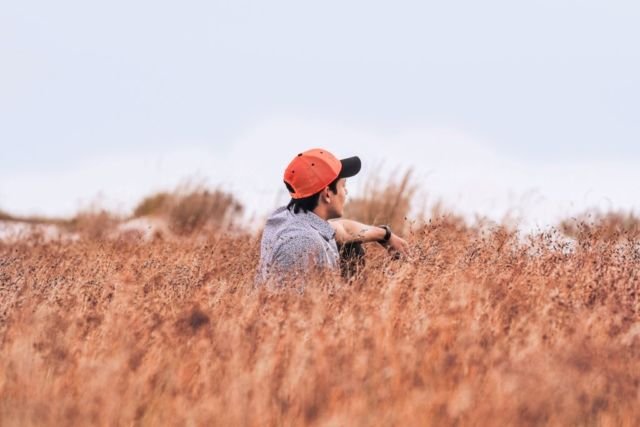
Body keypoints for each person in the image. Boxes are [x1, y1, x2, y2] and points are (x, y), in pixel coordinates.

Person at [255, 148, 409, 285]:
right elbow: (291, 309)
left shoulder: (288, 217)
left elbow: (343, 229)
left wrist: (385, 235)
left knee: (350, 247)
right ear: (327, 193)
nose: (346, 193)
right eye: (344, 186)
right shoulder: (302, 244)